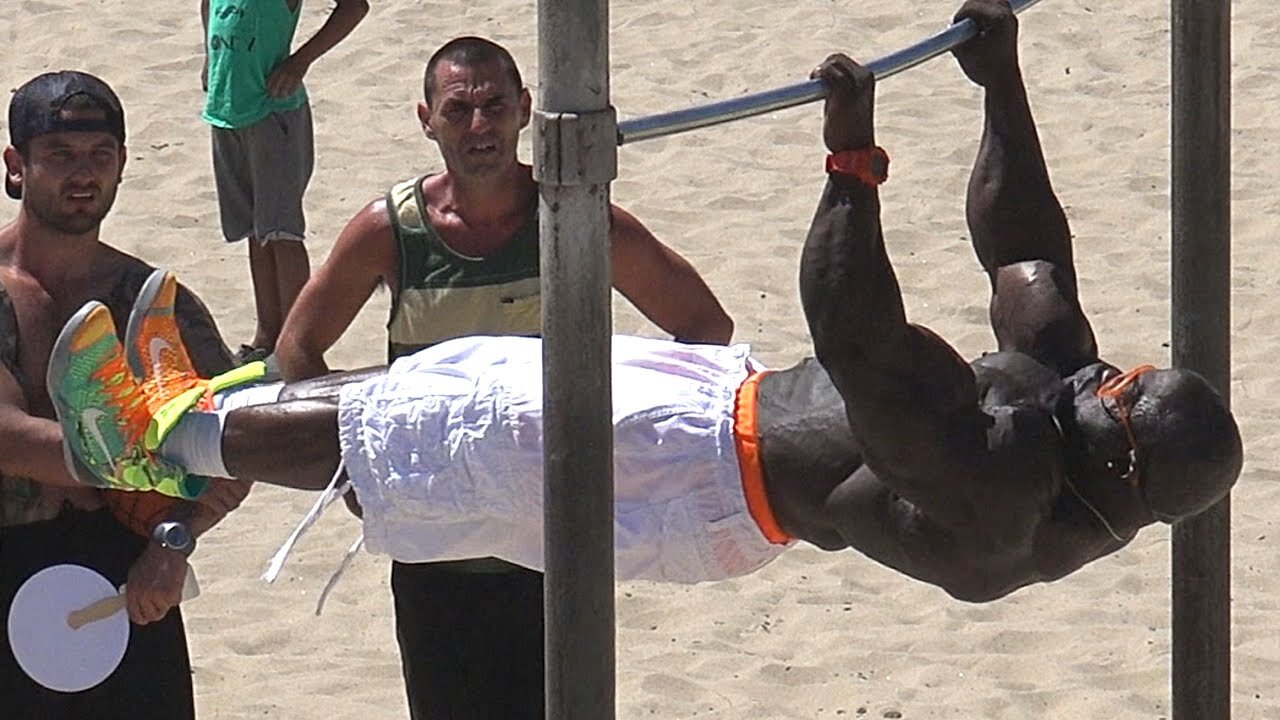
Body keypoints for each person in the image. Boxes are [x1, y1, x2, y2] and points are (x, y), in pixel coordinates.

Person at [55, 1, 1241, 605]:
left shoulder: (1000, 502)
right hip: (724, 405)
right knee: (455, 378)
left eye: (1115, 398)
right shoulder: (1084, 416)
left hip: (697, 486)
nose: (1100, 376)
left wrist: (851, 167)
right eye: (1119, 368)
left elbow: (857, 336)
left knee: (439, 433)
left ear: (1121, 472)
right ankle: (192, 408)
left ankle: (157, 436)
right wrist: (1003, 84)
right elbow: (1025, 252)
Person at [271, 36, 733, 719]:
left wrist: (632, 447)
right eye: (458, 110)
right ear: (425, 119)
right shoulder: (390, 231)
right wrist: (360, 473)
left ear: (524, 110)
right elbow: (297, 353)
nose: (479, 127)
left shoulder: (573, 218)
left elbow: (704, 330)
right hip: (435, 556)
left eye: (494, 106)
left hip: (557, 551)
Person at [0, 71, 248, 717]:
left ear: (122, 165)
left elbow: (230, 447)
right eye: (59, 156)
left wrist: (173, 542)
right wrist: (133, 456)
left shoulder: (153, 302)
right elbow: (6, 436)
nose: (83, 174)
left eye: (99, 156)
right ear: (16, 166)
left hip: (125, 576)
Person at [200, 0, 369, 364]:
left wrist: (300, 61)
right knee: (254, 231)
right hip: (227, 108)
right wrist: (207, 58)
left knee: (281, 232)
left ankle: (296, 341)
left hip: (274, 113)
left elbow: (354, 8)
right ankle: (267, 336)